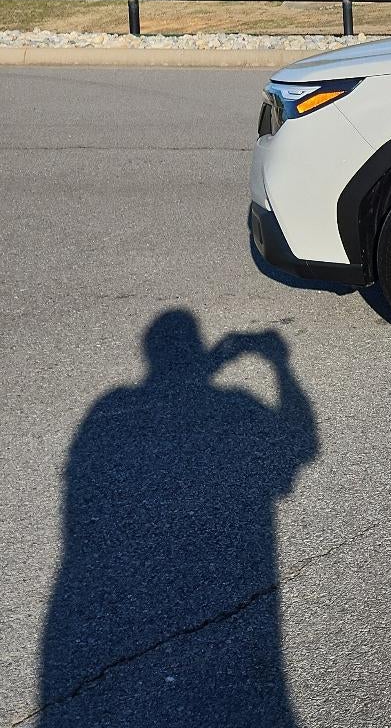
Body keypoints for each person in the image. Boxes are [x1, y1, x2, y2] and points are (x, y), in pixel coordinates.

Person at [37, 310, 318, 726]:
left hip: (88, 590)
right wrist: (278, 363)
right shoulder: (235, 403)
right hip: (237, 572)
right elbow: (302, 446)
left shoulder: (111, 407)